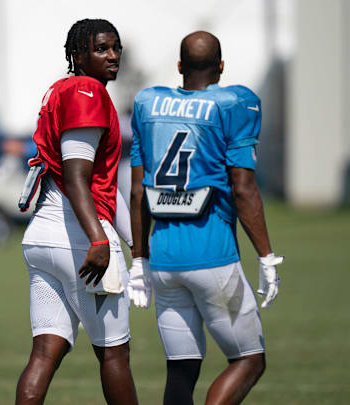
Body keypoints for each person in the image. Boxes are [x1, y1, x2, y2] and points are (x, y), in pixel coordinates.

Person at [129, 31, 283, 405]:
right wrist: (266, 256)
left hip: (163, 259)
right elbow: (244, 188)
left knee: (181, 370)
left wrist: (138, 259)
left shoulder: (149, 104)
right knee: (248, 360)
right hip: (212, 254)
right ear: (222, 66)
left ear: (179, 66)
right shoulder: (234, 103)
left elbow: (136, 192)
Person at [15, 19, 148, 405]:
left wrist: (140, 253)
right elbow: (77, 177)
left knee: (44, 353)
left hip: (44, 238)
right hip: (78, 239)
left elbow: (104, 188)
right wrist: (98, 237)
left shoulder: (61, 90)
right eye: (101, 49)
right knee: (114, 354)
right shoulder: (86, 90)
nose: (112, 56)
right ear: (78, 54)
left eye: (115, 47)